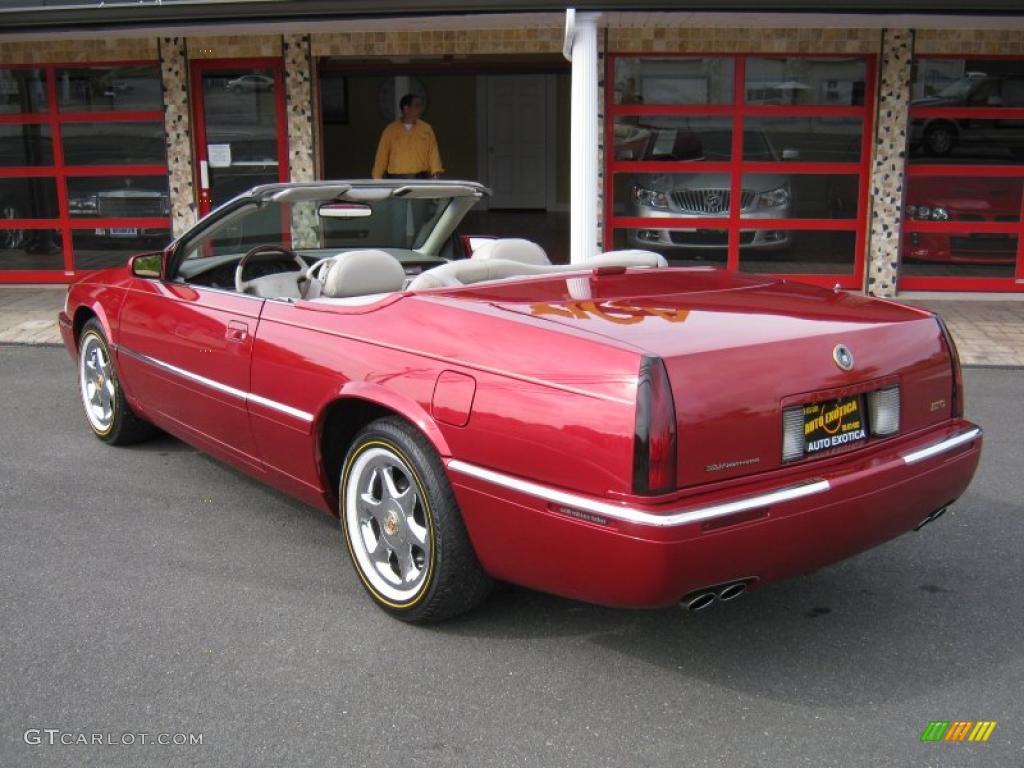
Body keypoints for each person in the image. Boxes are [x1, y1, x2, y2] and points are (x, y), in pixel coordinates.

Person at [371, 93, 444, 180]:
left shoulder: (426, 129)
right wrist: (377, 177)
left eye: (421, 105)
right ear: (406, 108)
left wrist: (435, 173)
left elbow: (433, 152)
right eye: (417, 106)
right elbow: (382, 156)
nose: (421, 109)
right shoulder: (390, 130)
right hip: (397, 180)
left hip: (421, 178)